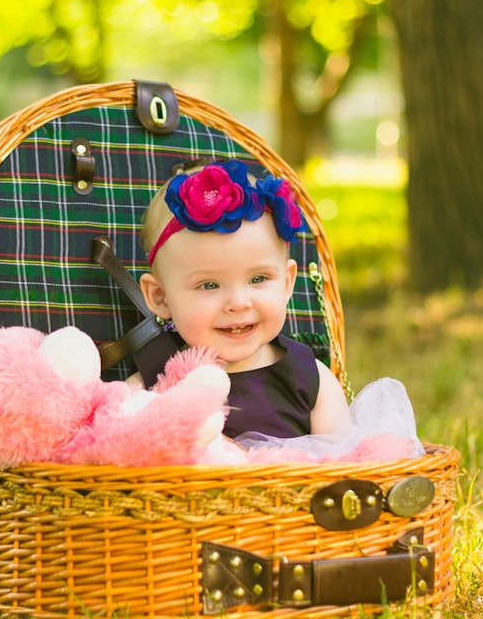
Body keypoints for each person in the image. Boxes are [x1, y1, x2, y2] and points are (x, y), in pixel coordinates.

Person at [137, 159, 350, 441]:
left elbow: (345, 466)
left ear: (287, 283)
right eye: (209, 285)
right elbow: (118, 442)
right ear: (160, 297)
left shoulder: (309, 377)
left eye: (258, 279)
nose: (239, 302)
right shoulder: (155, 380)